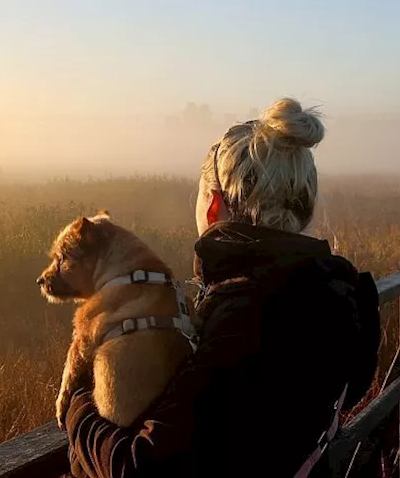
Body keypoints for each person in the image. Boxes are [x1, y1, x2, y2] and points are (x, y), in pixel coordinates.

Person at [63, 98, 382, 477]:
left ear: (213, 207)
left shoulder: (245, 315)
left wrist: (78, 404)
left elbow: (140, 466)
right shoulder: (340, 290)